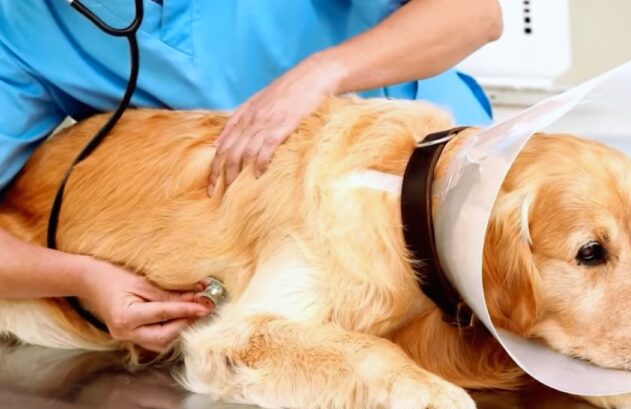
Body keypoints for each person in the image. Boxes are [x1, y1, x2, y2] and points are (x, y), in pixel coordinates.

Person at [0, 0, 502, 352]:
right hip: (289, 271)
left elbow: (474, 14)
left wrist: (322, 73)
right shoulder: (23, 26)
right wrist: (83, 277)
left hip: (448, 195)